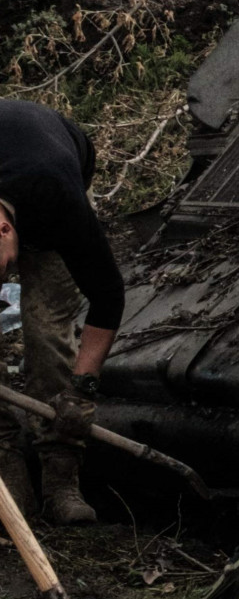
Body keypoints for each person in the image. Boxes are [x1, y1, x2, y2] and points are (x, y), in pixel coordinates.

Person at [0, 99, 126, 523]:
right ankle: (5, 456)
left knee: (46, 327)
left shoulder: (58, 200)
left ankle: (60, 474)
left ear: (3, 229)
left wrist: (82, 391)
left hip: (53, 164)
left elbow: (108, 295)